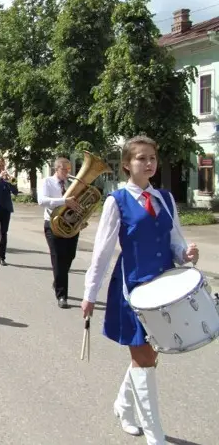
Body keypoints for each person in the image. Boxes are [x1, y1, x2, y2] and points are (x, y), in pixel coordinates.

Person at [81, 135, 199, 444]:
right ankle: (155, 436)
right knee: (145, 359)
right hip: (132, 289)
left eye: (152, 158)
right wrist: (90, 293)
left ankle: (123, 406)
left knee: (149, 357)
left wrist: (186, 255)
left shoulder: (165, 198)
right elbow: (102, 252)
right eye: (141, 158)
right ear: (126, 165)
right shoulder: (116, 201)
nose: (148, 163)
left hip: (164, 288)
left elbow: (175, 241)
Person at [38, 157, 81, 309]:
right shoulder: (47, 182)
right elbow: (42, 201)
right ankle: (62, 296)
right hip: (53, 224)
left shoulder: (72, 183)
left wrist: (82, 217)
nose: (68, 173)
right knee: (58, 259)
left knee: (70, 256)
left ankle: (58, 280)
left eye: (70, 169)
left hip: (71, 225)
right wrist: (64, 201)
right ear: (56, 169)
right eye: (65, 170)